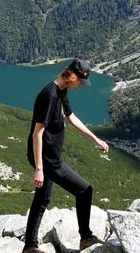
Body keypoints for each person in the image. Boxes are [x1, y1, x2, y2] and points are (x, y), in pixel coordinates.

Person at [22, 59, 109, 253]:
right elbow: (37, 134)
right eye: (80, 81)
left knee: (42, 198)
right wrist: (39, 169)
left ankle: (29, 246)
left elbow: (71, 117)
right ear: (71, 76)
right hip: (47, 160)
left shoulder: (61, 91)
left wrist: (96, 139)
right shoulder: (49, 95)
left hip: (49, 157)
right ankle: (85, 237)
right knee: (84, 190)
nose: (80, 85)